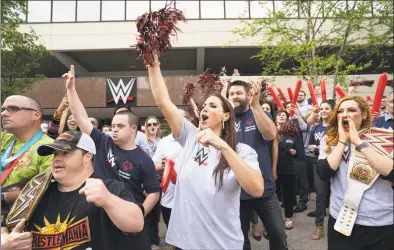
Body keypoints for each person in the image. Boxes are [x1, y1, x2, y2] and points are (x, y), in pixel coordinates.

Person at [147, 52, 264, 250]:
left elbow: (257, 189)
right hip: (184, 243)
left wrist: (224, 147)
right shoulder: (191, 137)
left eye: (212, 105)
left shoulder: (243, 151)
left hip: (222, 244)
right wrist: (153, 64)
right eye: (204, 105)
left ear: (226, 116)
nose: (205, 109)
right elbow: (163, 102)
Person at [64, 65, 160, 249]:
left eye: (120, 126)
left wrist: (139, 213)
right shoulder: (103, 141)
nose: (114, 129)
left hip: (126, 220)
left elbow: (154, 192)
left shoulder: (144, 160)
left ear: (133, 129)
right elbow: (81, 118)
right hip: (96, 214)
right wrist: (71, 89)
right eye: (113, 125)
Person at [1, 131, 145, 249]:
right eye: (55, 154)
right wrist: (5, 242)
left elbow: (136, 224)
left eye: (65, 153)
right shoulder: (37, 190)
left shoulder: (109, 188)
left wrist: (108, 200)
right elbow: (5, 228)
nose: (57, 159)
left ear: (87, 157)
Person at [316, 96, 394, 250]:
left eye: (351, 110)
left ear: (364, 115)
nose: (345, 114)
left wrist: (358, 142)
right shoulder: (330, 139)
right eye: (340, 111)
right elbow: (323, 173)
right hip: (342, 220)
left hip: (381, 222)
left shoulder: (385, 138)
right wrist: (342, 141)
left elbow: (390, 172)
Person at [227, 80, 287, 250]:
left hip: (265, 188)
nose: (234, 97)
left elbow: (270, 134)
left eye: (238, 93)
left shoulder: (258, 113)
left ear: (248, 95)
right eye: (231, 94)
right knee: (239, 238)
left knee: (278, 233)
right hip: (236, 190)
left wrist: (256, 106)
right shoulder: (226, 118)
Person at [1, 95, 54, 210]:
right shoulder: (4, 139)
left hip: (16, 223)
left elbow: (48, 190)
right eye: (3, 109)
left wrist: (4, 196)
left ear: (36, 115)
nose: (3, 113)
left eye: (13, 109)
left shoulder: (49, 149)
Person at [306, 100, 335, 239]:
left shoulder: (337, 128)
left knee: (337, 196)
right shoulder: (316, 128)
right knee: (321, 196)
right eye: (321, 108)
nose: (323, 111)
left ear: (333, 110)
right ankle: (319, 227)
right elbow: (311, 144)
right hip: (319, 165)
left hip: (336, 167)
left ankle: (339, 227)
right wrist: (313, 147)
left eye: (327, 108)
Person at [275, 110, 298, 230]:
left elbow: (298, 150)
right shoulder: (270, 131)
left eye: (284, 115)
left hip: (288, 169)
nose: (282, 116)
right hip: (273, 168)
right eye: (279, 114)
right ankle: (274, 219)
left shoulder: (291, 133)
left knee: (288, 195)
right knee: (273, 196)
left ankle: (288, 217)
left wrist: (294, 152)